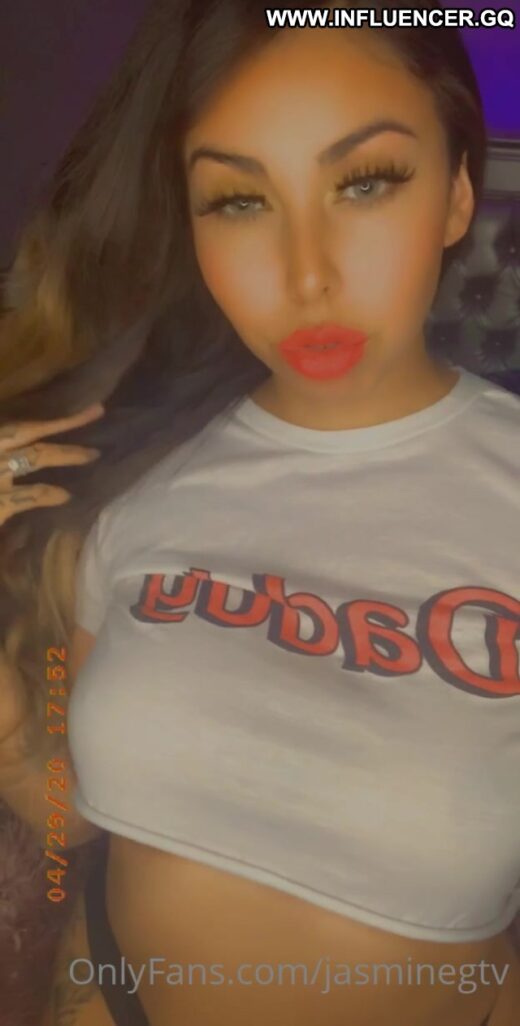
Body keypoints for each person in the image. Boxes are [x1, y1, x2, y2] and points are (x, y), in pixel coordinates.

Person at [0, 0, 518, 1023]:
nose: (306, 273)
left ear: (458, 196)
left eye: (366, 183)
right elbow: (67, 822)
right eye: (239, 200)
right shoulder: (135, 478)